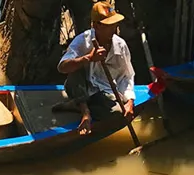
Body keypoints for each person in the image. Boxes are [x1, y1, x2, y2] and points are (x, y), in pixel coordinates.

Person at [55, 2, 137, 136]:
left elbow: (126, 76)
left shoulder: (120, 45)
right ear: (96, 26)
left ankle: (75, 105)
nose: (114, 28)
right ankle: (84, 111)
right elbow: (62, 67)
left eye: (115, 24)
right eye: (109, 25)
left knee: (117, 113)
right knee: (75, 68)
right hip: (81, 87)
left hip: (103, 92)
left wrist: (130, 102)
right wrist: (88, 58)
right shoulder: (83, 40)